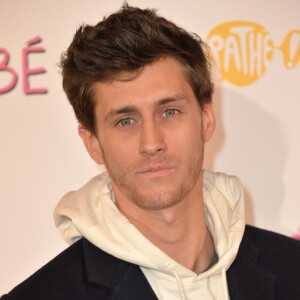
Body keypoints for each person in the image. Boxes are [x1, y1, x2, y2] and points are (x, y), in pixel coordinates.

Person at [1, 4, 300, 300]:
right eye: (125, 121)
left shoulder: (292, 268)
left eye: (169, 112)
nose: (151, 142)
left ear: (207, 118)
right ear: (92, 142)